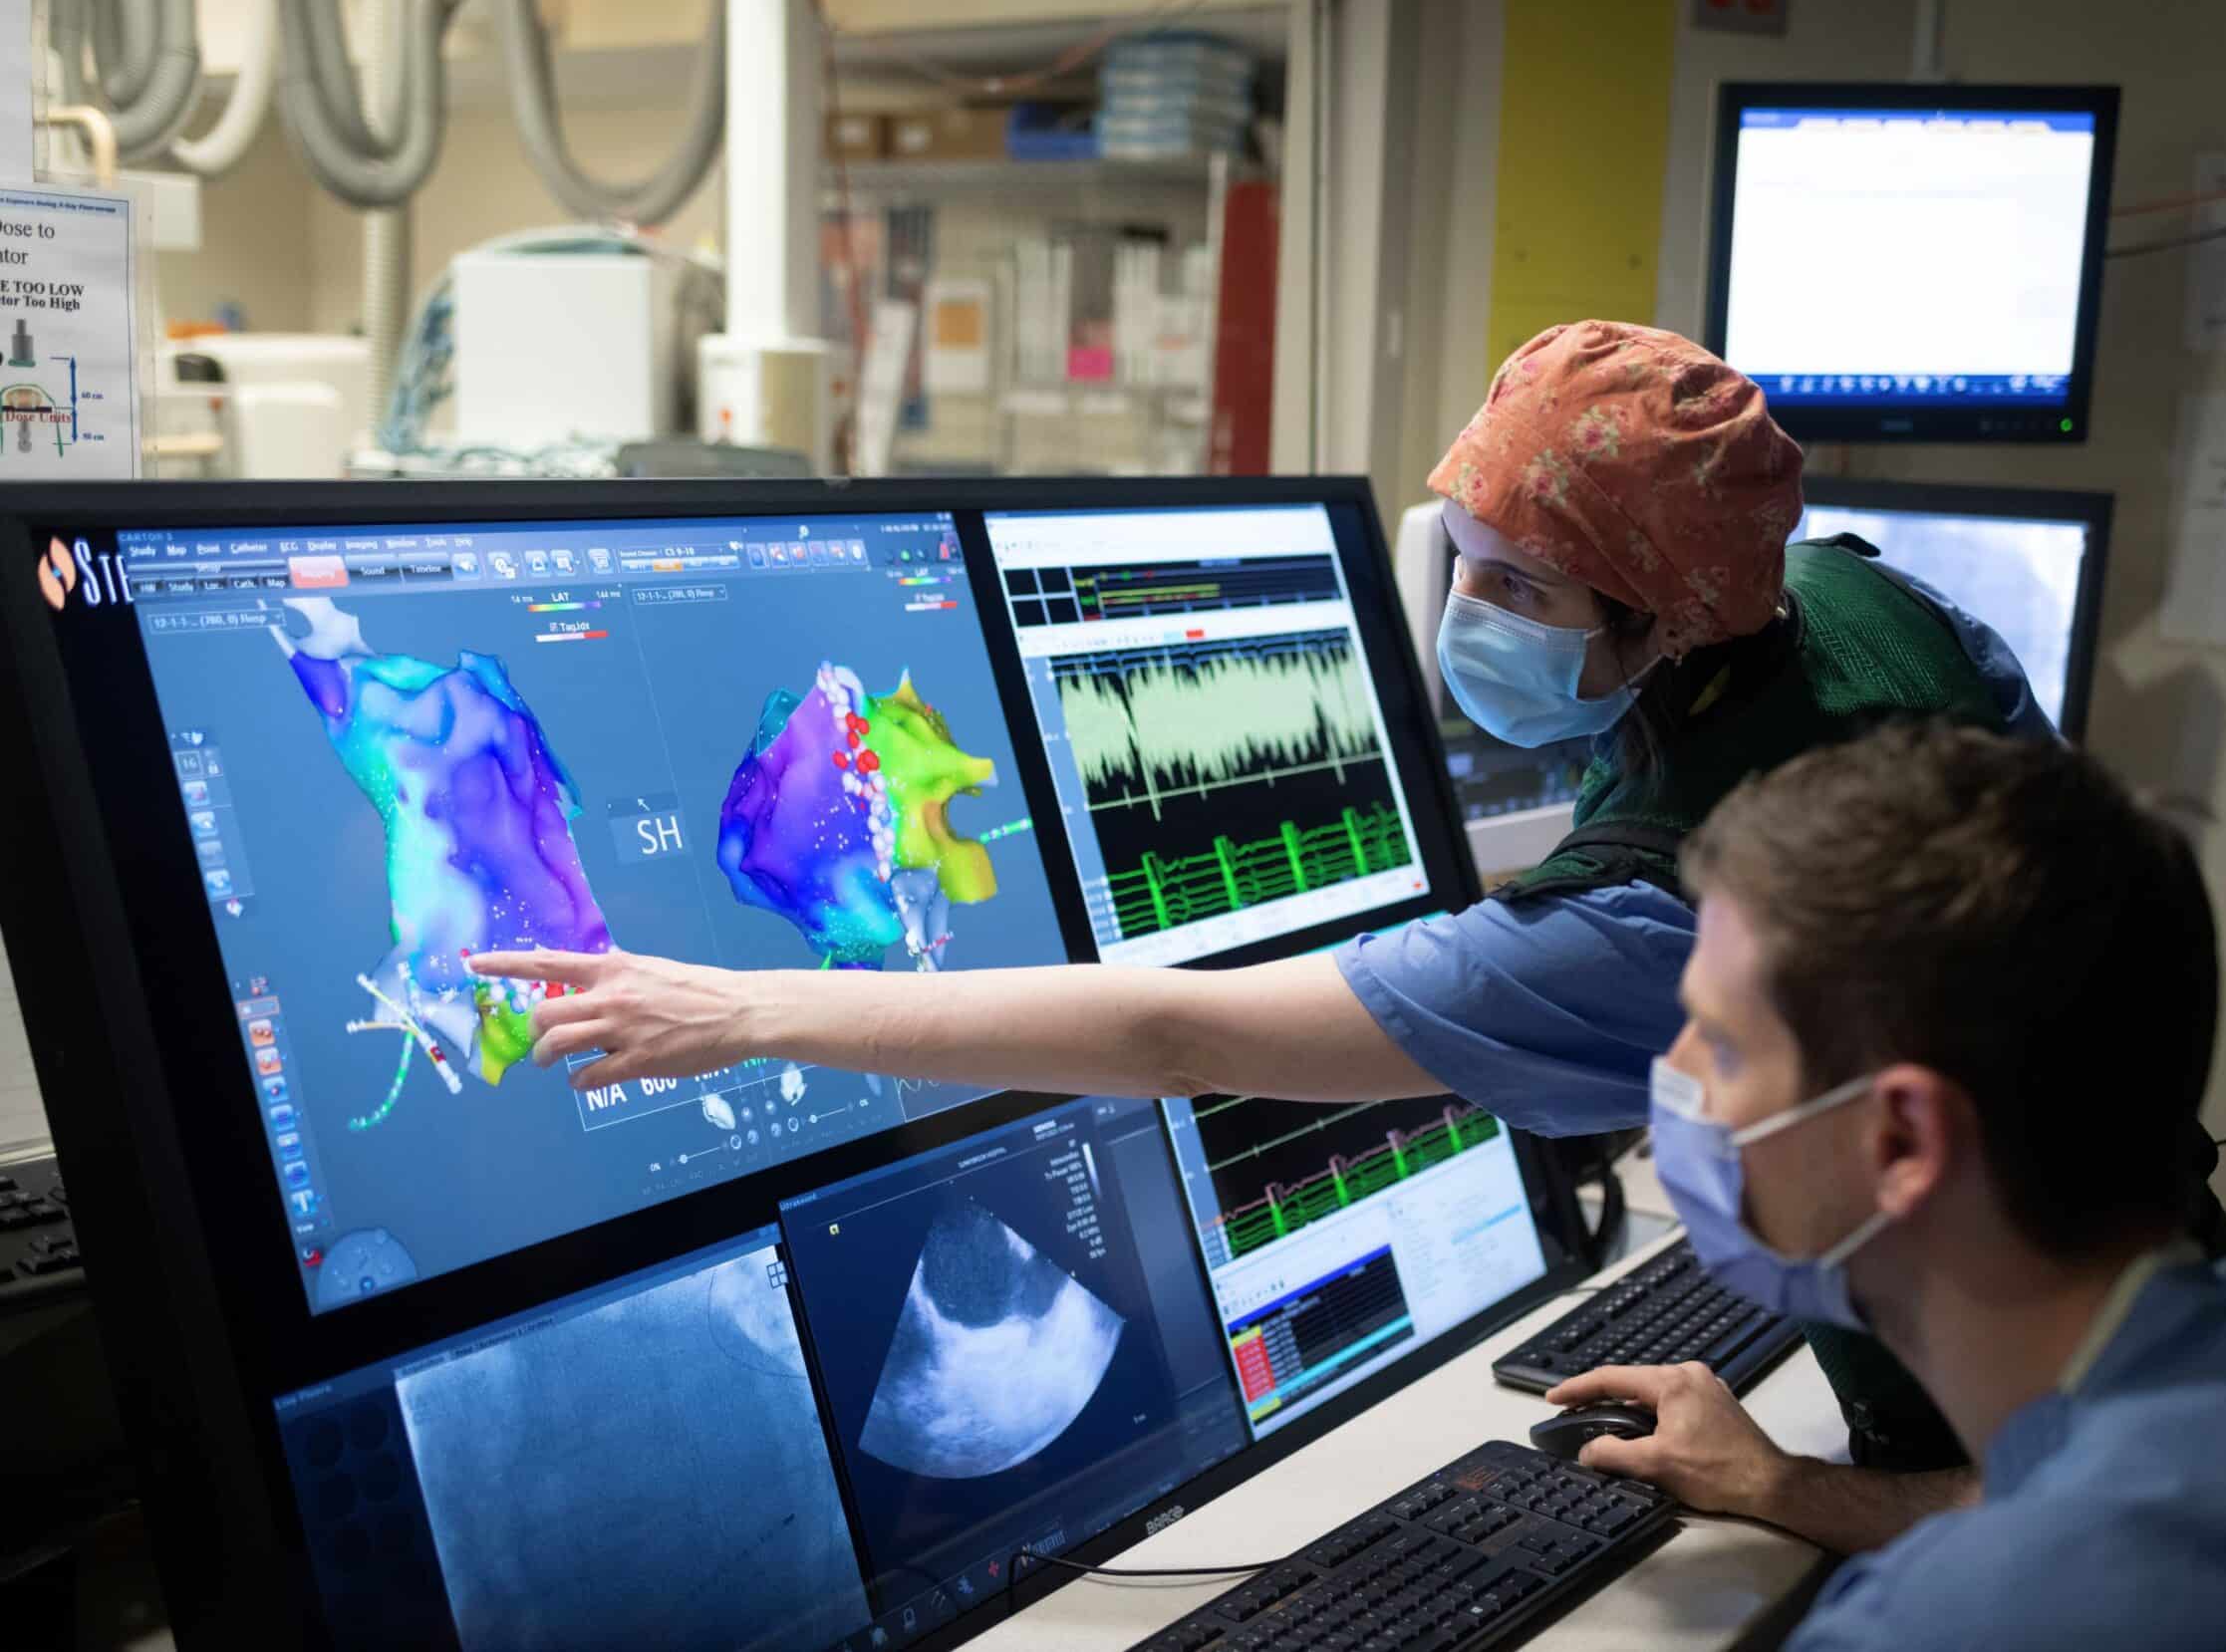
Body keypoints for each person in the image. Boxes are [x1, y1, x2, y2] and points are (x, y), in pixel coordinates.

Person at [472, 321, 2098, 1552]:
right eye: (1467, 559)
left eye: (1528, 590)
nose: (1470, 613)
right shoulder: (1845, 599)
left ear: (1671, 616)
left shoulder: (1651, 918)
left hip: (2003, 1411)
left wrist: (744, 1011)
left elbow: (1175, 1031)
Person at [1542, 720, 2226, 1650]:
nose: (1674, 1076)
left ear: (1902, 1141)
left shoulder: (1930, 1630)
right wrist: (1778, 1483)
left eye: (1720, 1043)